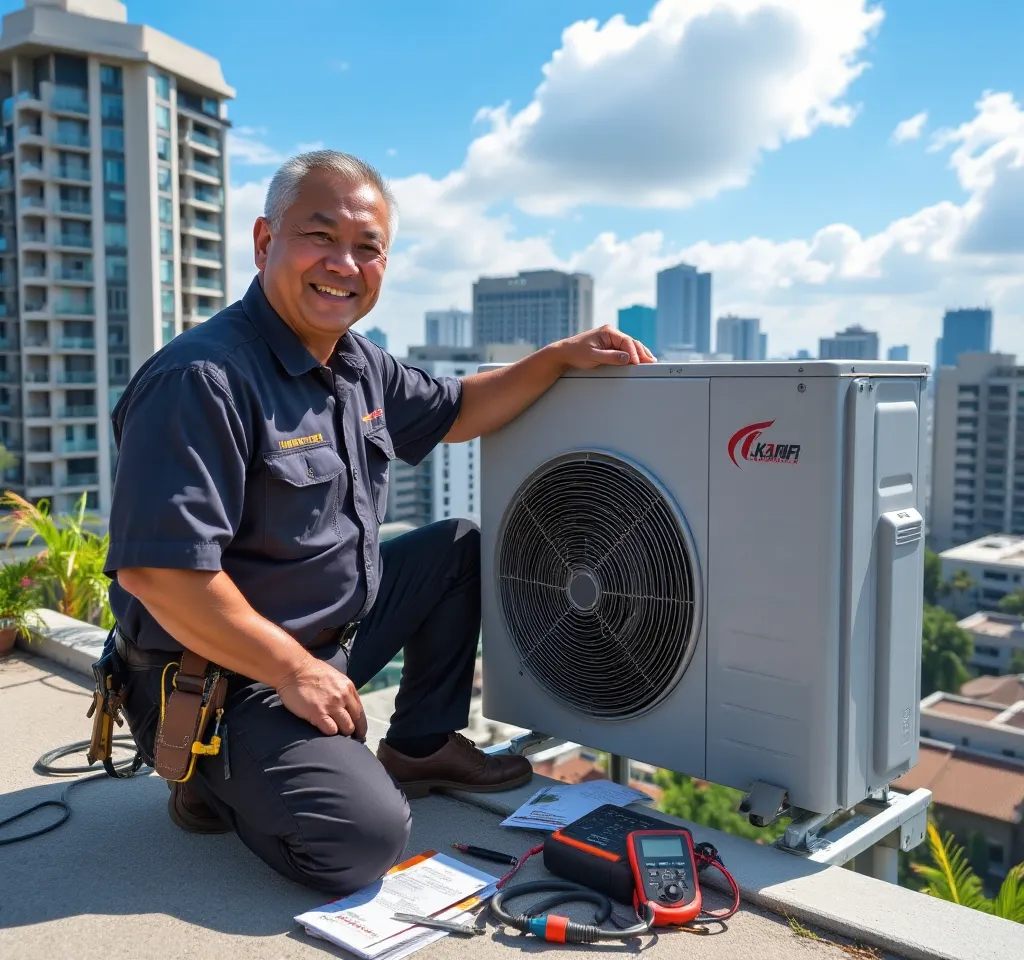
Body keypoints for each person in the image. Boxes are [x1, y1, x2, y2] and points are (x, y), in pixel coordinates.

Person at [105, 149, 655, 896]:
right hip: (224, 677)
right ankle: (208, 781)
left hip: (325, 648)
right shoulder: (202, 379)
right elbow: (161, 574)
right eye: (320, 237)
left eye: (367, 247)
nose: (344, 263)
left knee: (456, 546)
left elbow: (459, 408)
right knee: (362, 840)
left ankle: (420, 745)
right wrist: (293, 670)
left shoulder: (356, 362)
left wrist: (558, 358)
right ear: (266, 242)